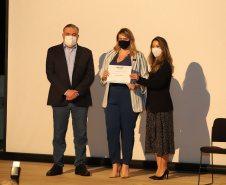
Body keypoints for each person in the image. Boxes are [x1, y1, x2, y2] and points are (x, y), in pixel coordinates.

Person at [46, 24, 94, 176]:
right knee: (59, 134)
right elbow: (50, 73)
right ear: (62, 35)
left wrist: (76, 92)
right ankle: (57, 164)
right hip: (59, 99)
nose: (71, 36)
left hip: (80, 99)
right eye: (68, 33)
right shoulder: (52, 51)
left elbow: (89, 75)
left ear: (78, 36)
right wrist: (66, 92)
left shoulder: (86, 53)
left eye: (74, 34)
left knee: (80, 135)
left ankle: (80, 165)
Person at [99, 28, 148, 178]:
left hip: (129, 98)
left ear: (131, 40)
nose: (123, 41)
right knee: (112, 132)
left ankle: (126, 165)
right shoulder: (110, 54)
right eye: (120, 38)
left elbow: (145, 79)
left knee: (127, 133)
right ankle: (115, 165)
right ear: (117, 39)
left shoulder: (138, 56)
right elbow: (102, 76)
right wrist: (105, 75)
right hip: (112, 98)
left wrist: (137, 83)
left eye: (126, 39)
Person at [130, 36, 175, 180]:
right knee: (155, 139)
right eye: (153, 46)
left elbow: (157, 84)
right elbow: (151, 82)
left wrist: (140, 79)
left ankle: (163, 169)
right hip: (152, 107)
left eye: (158, 46)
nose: (155, 48)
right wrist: (139, 81)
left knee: (163, 139)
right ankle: (159, 169)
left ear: (164, 48)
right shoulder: (155, 65)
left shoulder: (166, 65)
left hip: (163, 107)